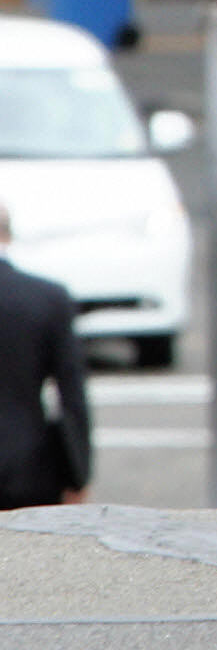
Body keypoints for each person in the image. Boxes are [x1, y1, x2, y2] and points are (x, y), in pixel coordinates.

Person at [0, 203, 90, 510]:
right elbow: (72, 394)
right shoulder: (47, 298)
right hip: (28, 465)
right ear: (7, 235)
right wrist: (79, 474)